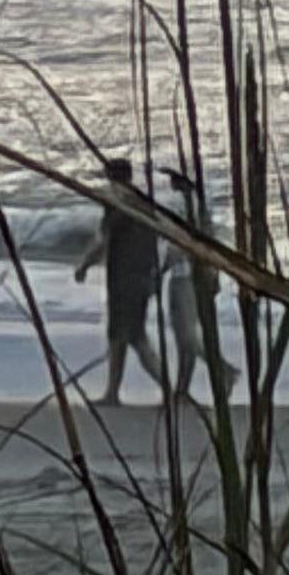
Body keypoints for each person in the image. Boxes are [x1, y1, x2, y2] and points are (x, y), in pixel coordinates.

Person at [75, 154, 167, 405]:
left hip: (123, 277)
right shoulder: (144, 204)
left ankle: (168, 389)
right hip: (142, 274)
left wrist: (84, 264)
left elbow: (103, 241)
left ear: (110, 178)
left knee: (135, 337)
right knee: (118, 335)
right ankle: (112, 391)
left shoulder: (119, 205)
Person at [162, 163, 225, 397]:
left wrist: (161, 269)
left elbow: (179, 245)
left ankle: (223, 371)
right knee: (183, 337)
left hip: (184, 277)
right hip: (194, 276)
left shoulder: (185, 208)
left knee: (186, 336)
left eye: (173, 178)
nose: (170, 183)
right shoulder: (200, 209)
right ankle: (182, 389)